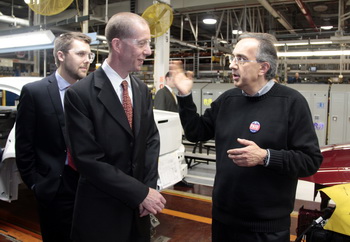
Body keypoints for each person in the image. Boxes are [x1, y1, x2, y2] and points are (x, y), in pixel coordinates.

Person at [170, 32, 323, 242]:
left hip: (266, 228)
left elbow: (310, 161)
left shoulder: (291, 103)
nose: (232, 65)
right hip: (224, 220)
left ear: (263, 67)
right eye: (232, 58)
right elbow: (196, 132)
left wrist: (265, 156)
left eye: (241, 59)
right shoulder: (227, 100)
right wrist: (185, 96)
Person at [64, 12, 166, 242]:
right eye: (142, 43)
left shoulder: (140, 89)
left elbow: (150, 140)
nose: (148, 51)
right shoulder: (80, 95)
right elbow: (87, 159)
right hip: (101, 211)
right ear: (117, 45)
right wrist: (139, 193)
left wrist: (148, 191)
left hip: (139, 210)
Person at [15, 32, 93, 242]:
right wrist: (35, 184)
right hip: (54, 185)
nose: (87, 60)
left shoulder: (90, 94)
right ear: (61, 55)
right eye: (80, 54)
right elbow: (24, 145)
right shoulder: (35, 92)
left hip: (89, 184)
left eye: (89, 55)